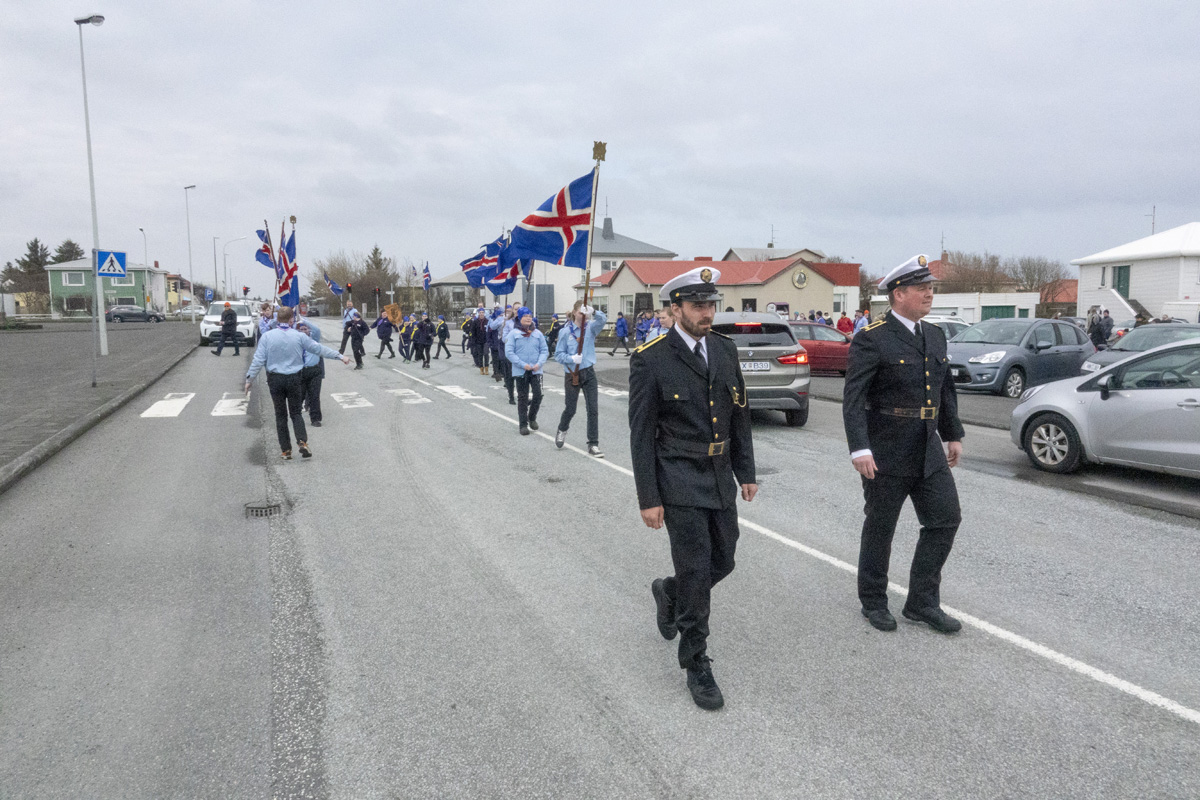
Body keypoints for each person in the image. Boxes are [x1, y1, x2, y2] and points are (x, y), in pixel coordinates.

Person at [628, 266, 757, 711]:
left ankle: (670, 591)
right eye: (698, 305)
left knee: (725, 558)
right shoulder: (651, 358)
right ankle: (696, 661)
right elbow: (641, 434)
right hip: (678, 474)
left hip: (719, 472)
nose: (707, 312)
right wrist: (649, 497)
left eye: (711, 304)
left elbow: (738, 413)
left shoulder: (724, 350)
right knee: (698, 568)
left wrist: (748, 471)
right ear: (675, 308)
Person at [843, 254, 965, 636]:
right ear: (899, 294)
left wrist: (953, 433)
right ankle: (874, 601)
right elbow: (853, 398)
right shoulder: (872, 337)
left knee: (945, 518)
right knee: (881, 527)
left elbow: (944, 388)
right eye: (922, 288)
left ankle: (922, 602)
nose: (929, 293)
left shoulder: (935, 334)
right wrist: (859, 448)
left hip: (926, 447)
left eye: (930, 288)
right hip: (886, 447)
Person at [245, 306, 350, 459]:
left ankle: (286, 450)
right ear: (291, 320)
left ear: (277, 319)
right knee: (295, 413)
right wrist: (339, 356)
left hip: (275, 379)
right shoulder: (299, 336)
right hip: (294, 378)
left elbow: (258, 360)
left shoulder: (267, 337)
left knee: (280, 415)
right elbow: (318, 349)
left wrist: (249, 379)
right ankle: (302, 441)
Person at [553, 300, 607, 457]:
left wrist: (594, 312)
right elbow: (558, 355)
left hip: (589, 372)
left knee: (593, 409)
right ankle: (562, 428)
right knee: (570, 408)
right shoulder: (565, 332)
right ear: (574, 313)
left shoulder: (590, 328)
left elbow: (602, 320)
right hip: (572, 373)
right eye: (580, 313)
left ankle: (593, 444)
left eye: (585, 313)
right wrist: (571, 358)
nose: (583, 316)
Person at [504, 306, 548, 435]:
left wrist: (539, 363)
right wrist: (522, 364)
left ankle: (532, 417)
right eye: (525, 316)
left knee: (538, 395)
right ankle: (523, 425)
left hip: (536, 371)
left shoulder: (537, 333)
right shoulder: (514, 333)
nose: (528, 318)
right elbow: (509, 352)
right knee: (522, 398)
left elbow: (544, 350)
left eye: (530, 316)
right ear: (519, 317)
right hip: (521, 371)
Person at [295, 315, 326, 428]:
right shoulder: (295, 340)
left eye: (305, 329)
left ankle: (315, 418)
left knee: (314, 396)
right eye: (301, 329)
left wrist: (304, 321)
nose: (303, 331)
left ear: (308, 330)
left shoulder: (314, 339)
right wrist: (296, 321)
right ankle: (296, 416)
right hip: (300, 371)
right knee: (299, 395)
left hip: (313, 370)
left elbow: (317, 330)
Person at [489, 307, 516, 402]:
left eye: (510, 311)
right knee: (505, 363)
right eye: (507, 311)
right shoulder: (503, 320)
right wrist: (501, 320)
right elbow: (492, 327)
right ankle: (509, 387)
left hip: (518, 349)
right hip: (503, 344)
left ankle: (520, 394)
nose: (509, 313)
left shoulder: (519, 321)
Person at [469, 307, 491, 374]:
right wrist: (473, 340)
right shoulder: (475, 322)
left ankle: (486, 367)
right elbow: (473, 331)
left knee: (486, 354)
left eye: (482, 313)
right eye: (480, 313)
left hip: (486, 341)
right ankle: (481, 368)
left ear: (484, 313)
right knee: (480, 355)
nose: (481, 314)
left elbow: (489, 331)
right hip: (478, 341)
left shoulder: (487, 321)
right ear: (478, 313)